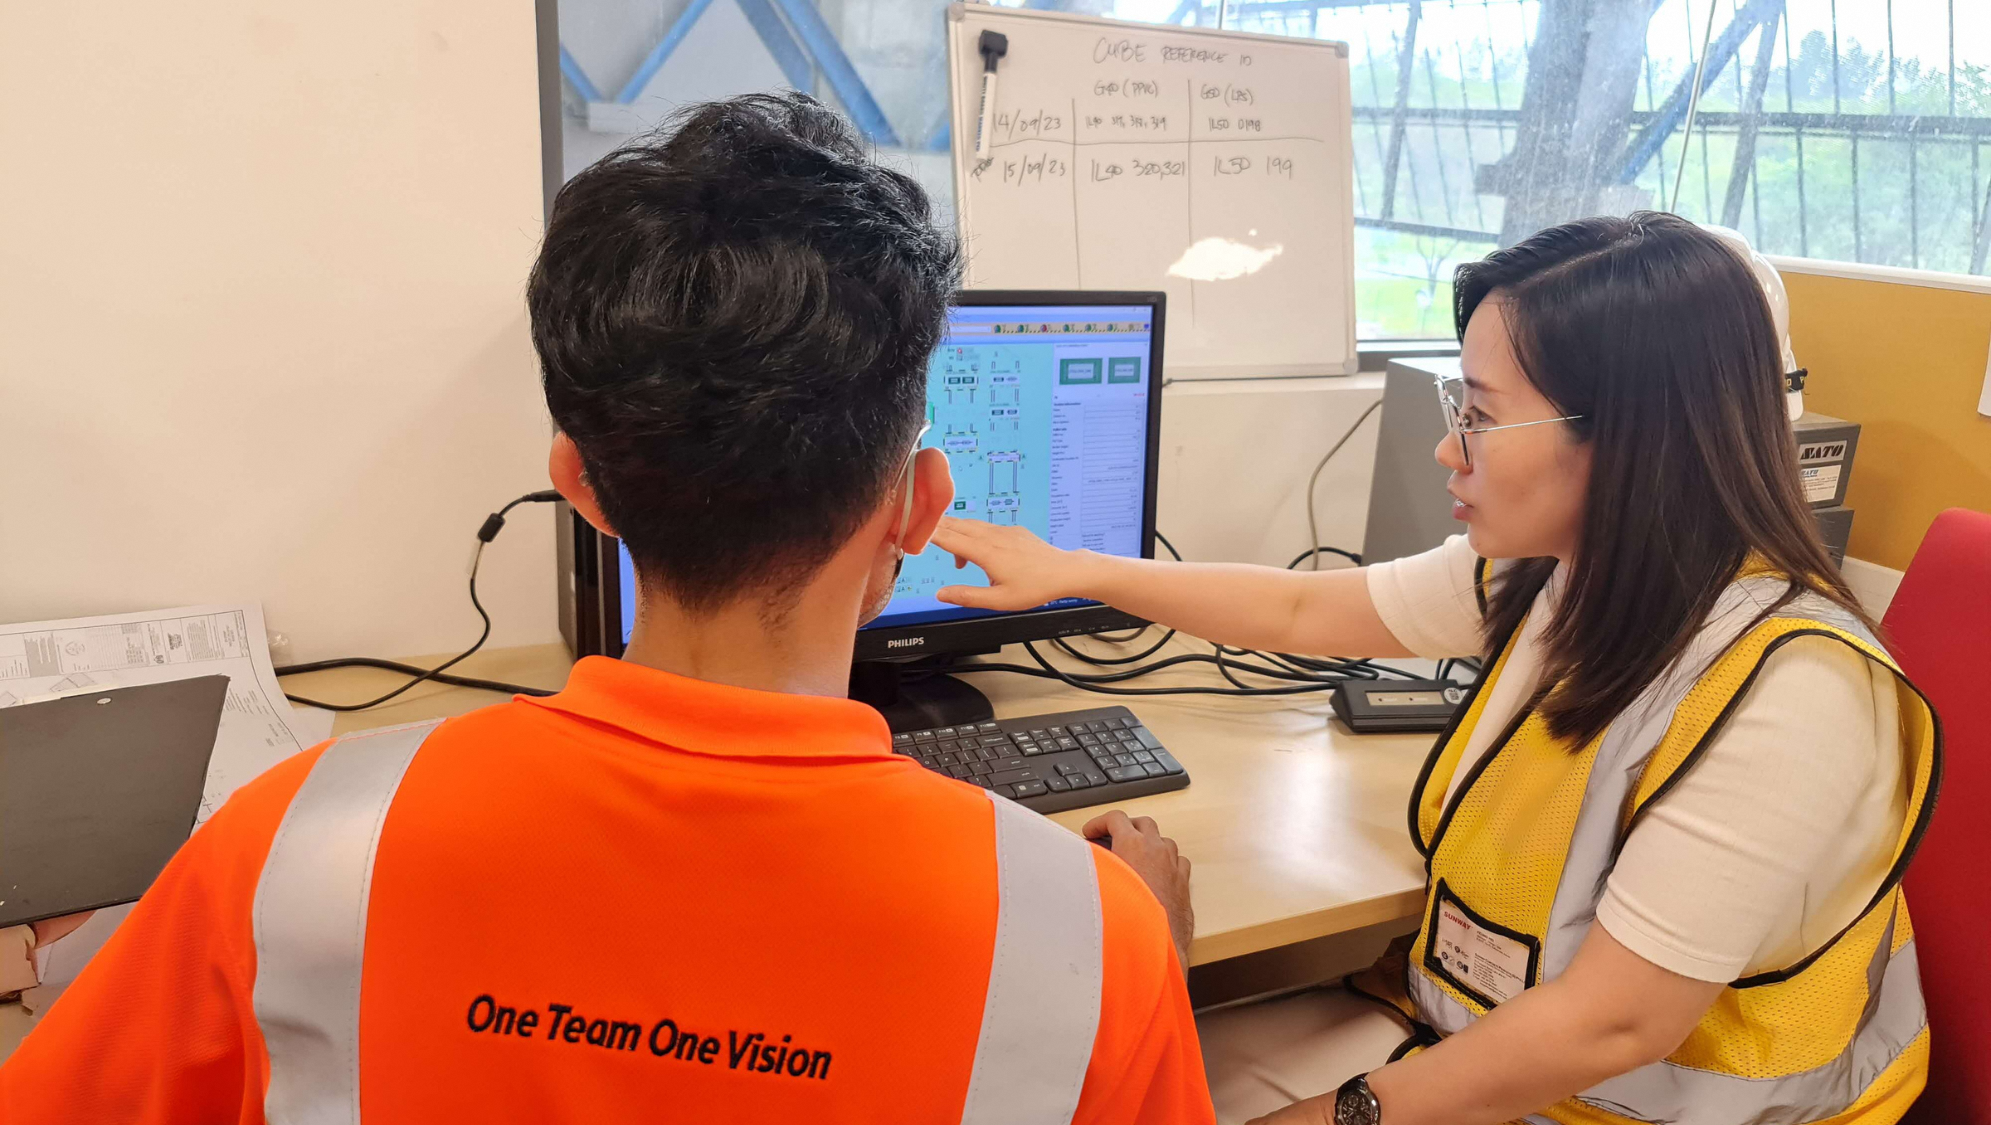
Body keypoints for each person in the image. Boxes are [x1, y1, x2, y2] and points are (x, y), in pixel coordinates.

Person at [0, 92, 1212, 1125]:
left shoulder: (290, 852)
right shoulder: (1087, 941)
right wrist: (1136, 950)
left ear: (577, 482)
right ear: (917, 507)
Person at [930, 213, 1939, 1125]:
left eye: (1481, 415)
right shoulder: (1561, 573)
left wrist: (1338, 1117)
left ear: (1629, 440)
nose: (1445, 452)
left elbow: (1609, 1029)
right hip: (1483, 1044)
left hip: (1642, 1107)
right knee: (1089, 1078)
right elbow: (1301, 608)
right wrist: (1070, 571)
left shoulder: (1792, 696)